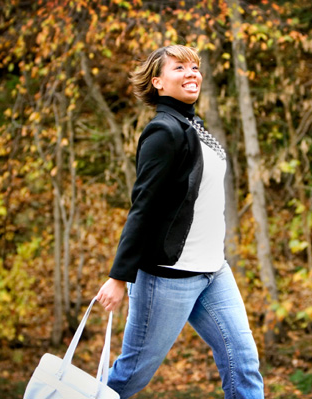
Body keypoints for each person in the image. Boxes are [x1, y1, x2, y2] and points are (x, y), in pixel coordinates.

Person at [95, 45, 264, 399]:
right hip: (167, 276)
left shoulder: (194, 126)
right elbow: (143, 207)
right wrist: (118, 276)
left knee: (243, 362)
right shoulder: (163, 132)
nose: (192, 73)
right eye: (180, 67)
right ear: (158, 82)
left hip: (213, 271)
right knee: (130, 377)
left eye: (195, 67)